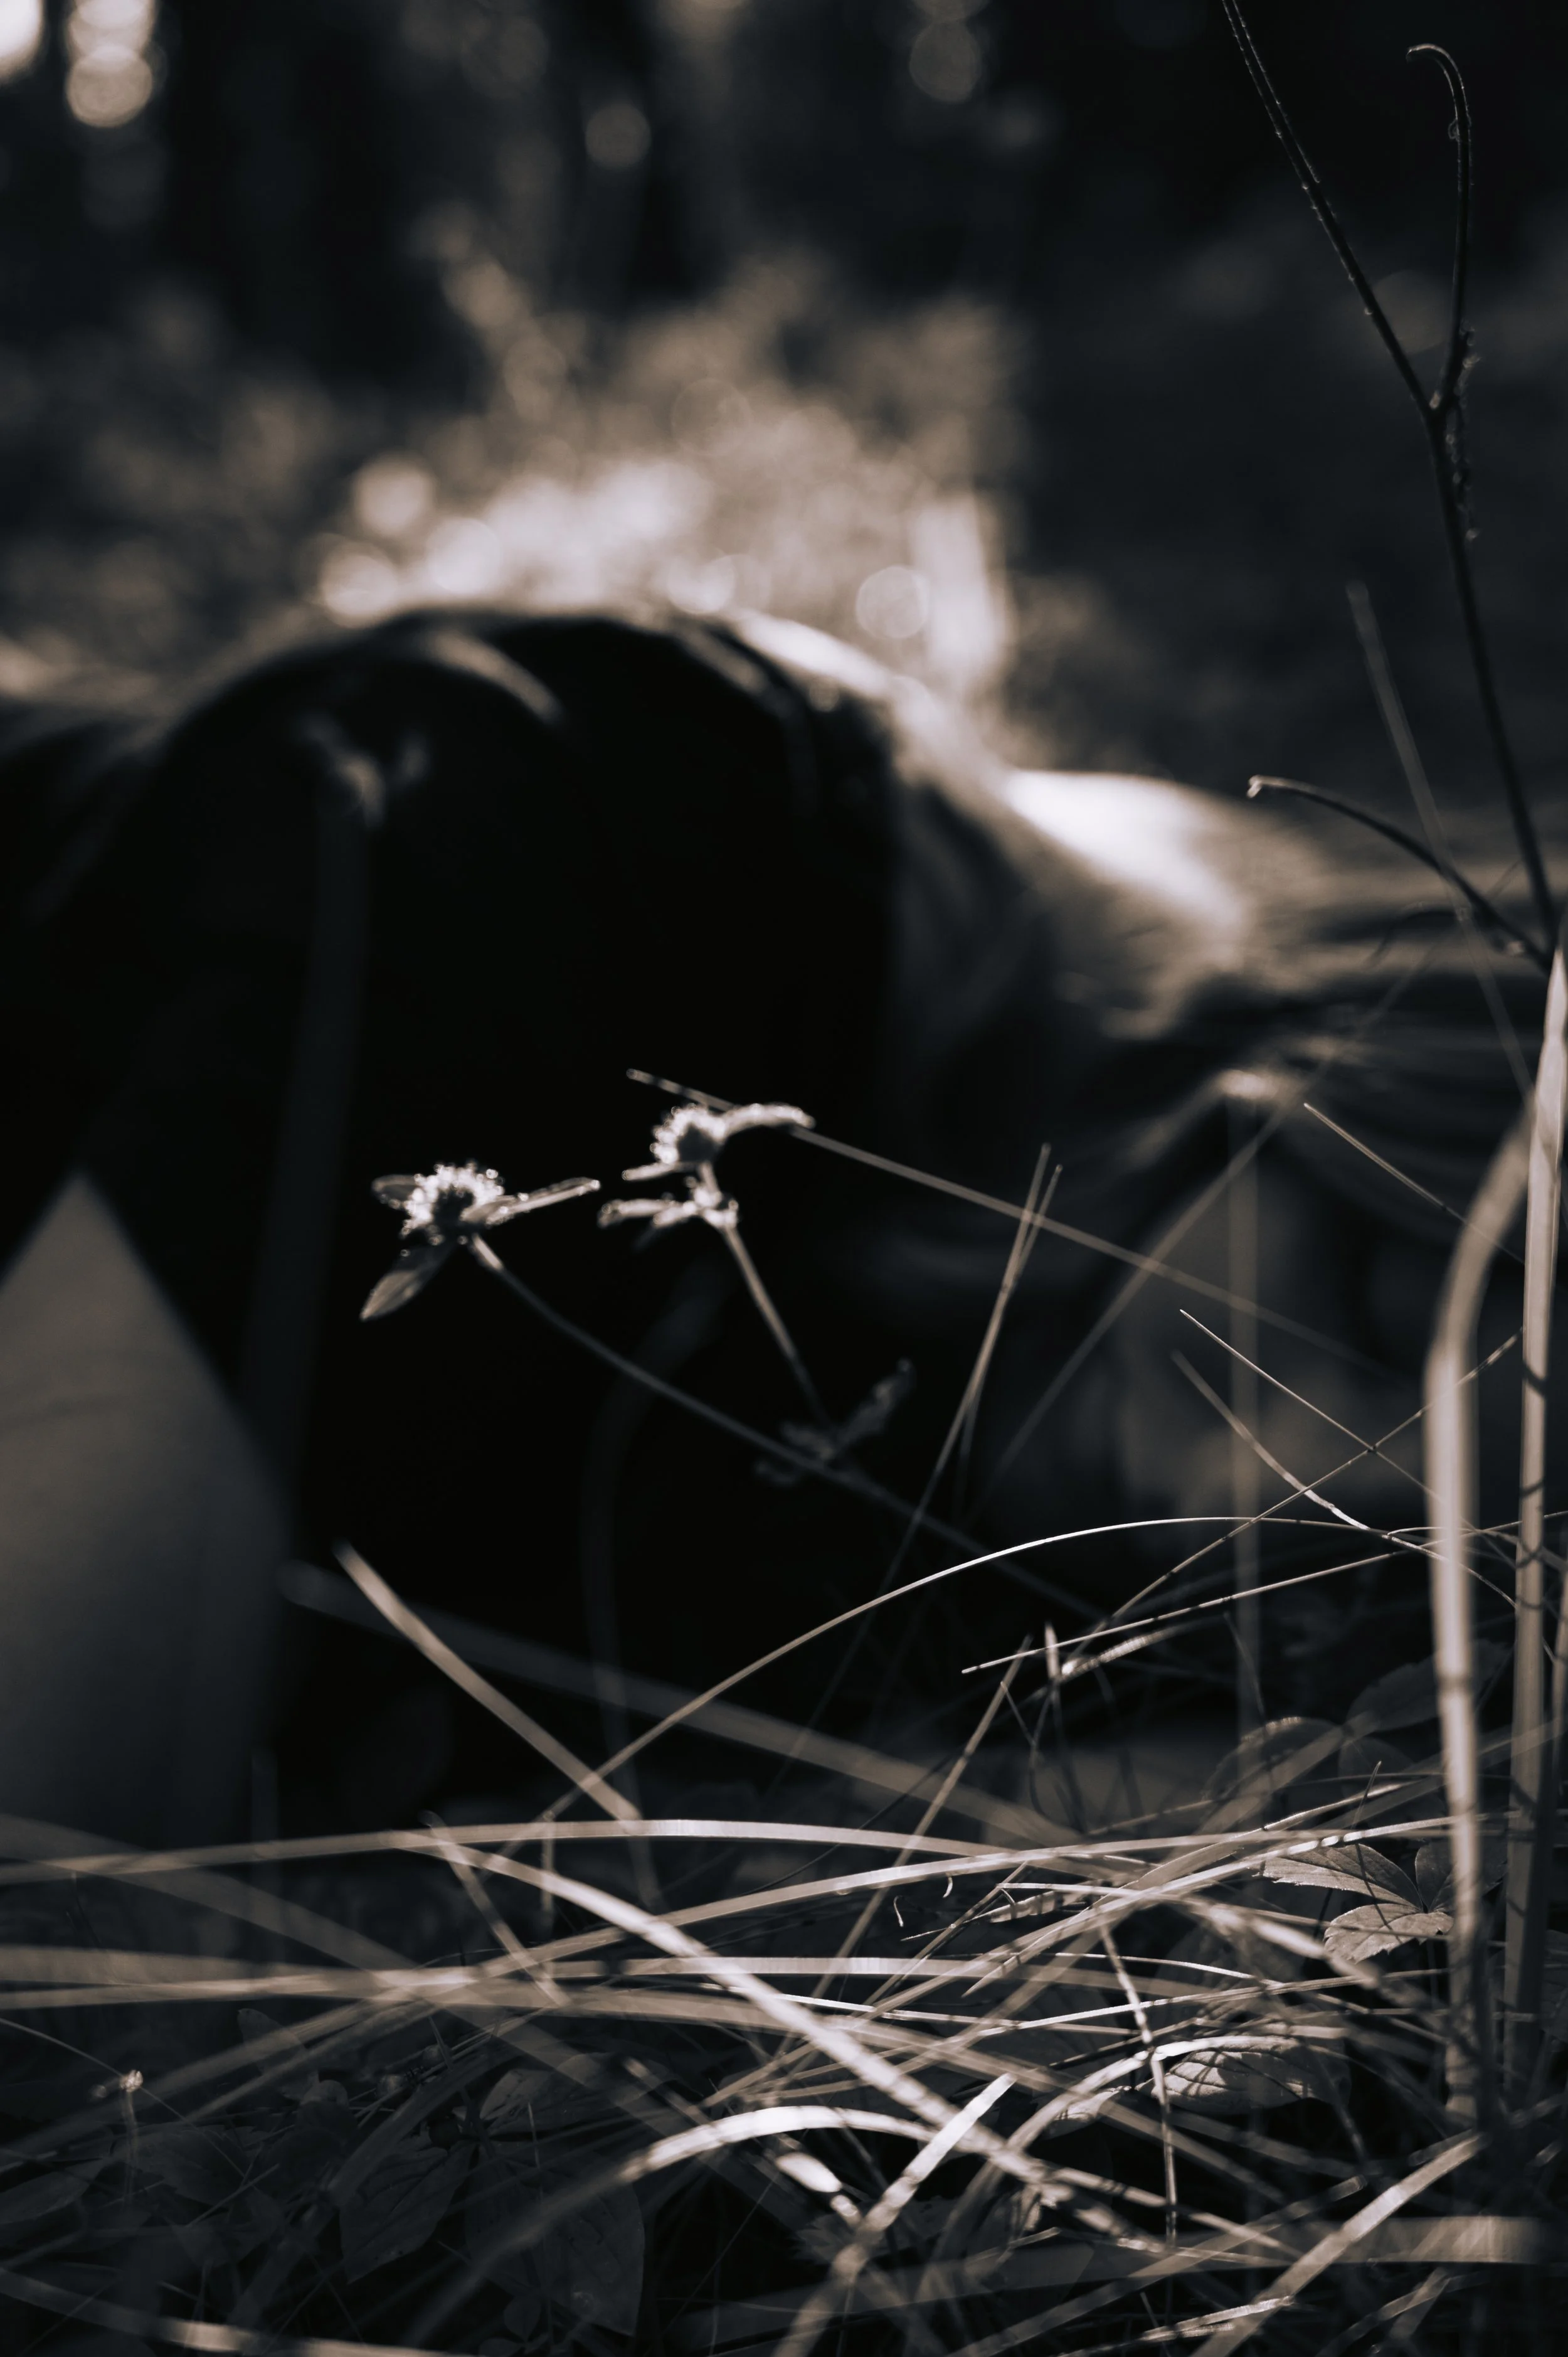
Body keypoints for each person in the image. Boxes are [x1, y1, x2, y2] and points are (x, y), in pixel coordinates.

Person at [0, 604, 1551, 1842]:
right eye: (1368, 1300)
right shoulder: (623, 831)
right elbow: (47, 1887)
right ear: (1365, 1048)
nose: (1232, 1494)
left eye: (1404, 1553)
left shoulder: (1051, 1600)